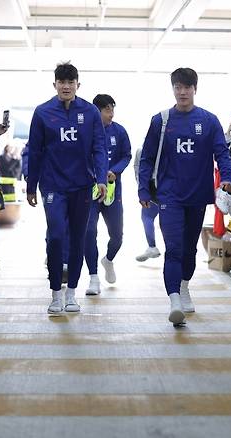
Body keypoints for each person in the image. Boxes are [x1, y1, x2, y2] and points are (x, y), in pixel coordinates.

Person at [138, 67, 231, 326]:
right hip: (169, 195)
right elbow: (146, 157)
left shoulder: (209, 120)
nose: (182, 92)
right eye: (177, 87)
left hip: (197, 195)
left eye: (187, 87)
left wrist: (227, 177)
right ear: (173, 89)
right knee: (174, 249)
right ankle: (174, 301)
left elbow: (222, 153)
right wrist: (143, 189)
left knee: (190, 249)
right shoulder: (161, 120)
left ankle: (183, 287)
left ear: (195, 89)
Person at [27, 62, 108, 314]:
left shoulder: (91, 112)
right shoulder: (42, 112)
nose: (66, 86)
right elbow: (35, 152)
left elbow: (99, 148)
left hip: (82, 186)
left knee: (78, 238)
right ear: (55, 85)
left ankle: (71, 293)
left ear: (77, 85)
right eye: (61, 82)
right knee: (56, 236)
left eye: (70, 82)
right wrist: (31, 186)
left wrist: (102, 179)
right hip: (52, 186)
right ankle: (55, 294)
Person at [84, 94, 132, 295]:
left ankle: (108, 260)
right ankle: (93, 277)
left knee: (117, 236)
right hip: (90, 190)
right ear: (96, 111)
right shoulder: (85, 131)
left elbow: (126, 155)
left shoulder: (119, 131)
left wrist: (115, 170)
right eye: (107, 110)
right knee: (89, 232)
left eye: (112, 109)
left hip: (112, 191)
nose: (111, 114)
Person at [134, 147, 161, 262]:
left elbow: (138, 170)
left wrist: (142, 188)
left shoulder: (142, 149)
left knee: (147, 217)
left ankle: (152, 246)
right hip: (169, 186)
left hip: (152, 187)